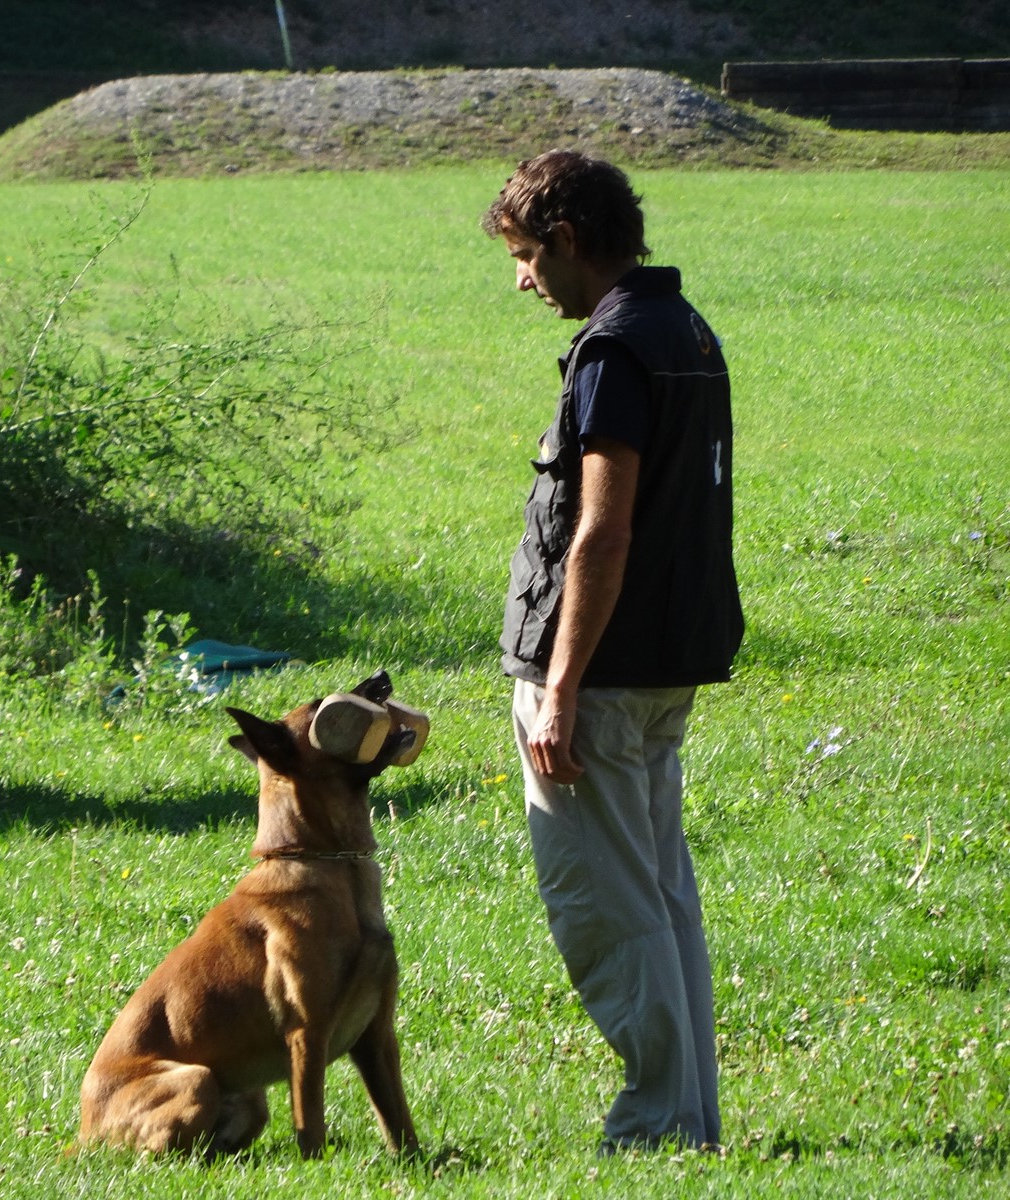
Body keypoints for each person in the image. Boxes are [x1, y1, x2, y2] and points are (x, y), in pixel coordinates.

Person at [480, 149, 743, 1153]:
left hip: (598, 678)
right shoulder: (686, 328)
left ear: (566, 240)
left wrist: (559, 687)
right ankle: (689, 1116)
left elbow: (601, 531)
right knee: (664, 899)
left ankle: (657, 1126)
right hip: (665, 663)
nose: (522, 281)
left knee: (609, 906)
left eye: (524, 256)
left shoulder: (613, 350)